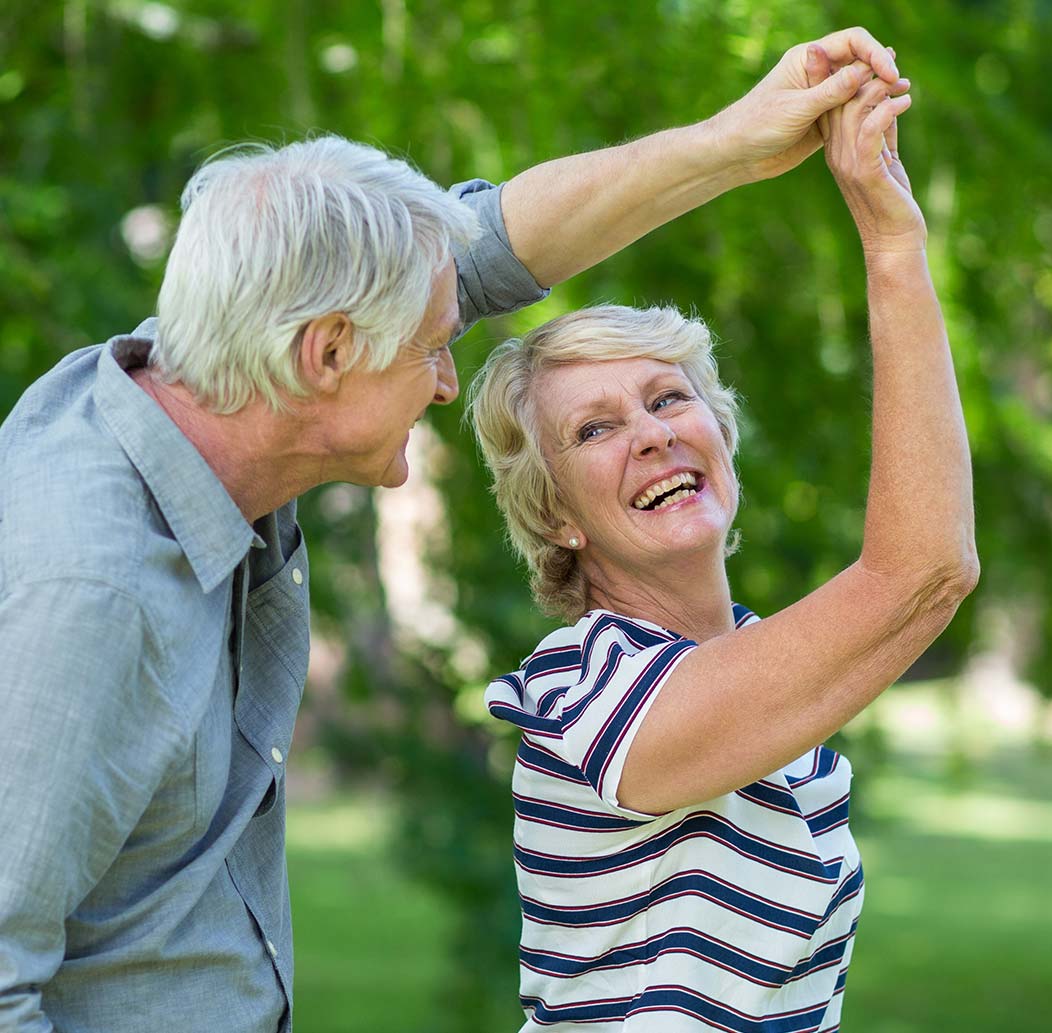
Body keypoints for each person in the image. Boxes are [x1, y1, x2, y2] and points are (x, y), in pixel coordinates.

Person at [0, 29, 905, 1032]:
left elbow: (477, 254)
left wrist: (732, 141)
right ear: (329, 353)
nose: (445, 381)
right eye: (434, 348)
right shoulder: (88, 593)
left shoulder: (211, 376)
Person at [467, 59, 977, 1032]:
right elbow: (923, 570)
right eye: (595, 429)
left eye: (667, 399)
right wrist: (889, 243)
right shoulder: (584, 685)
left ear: (720, 435)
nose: (652, 432)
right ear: (557, 514)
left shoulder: (759, 674)